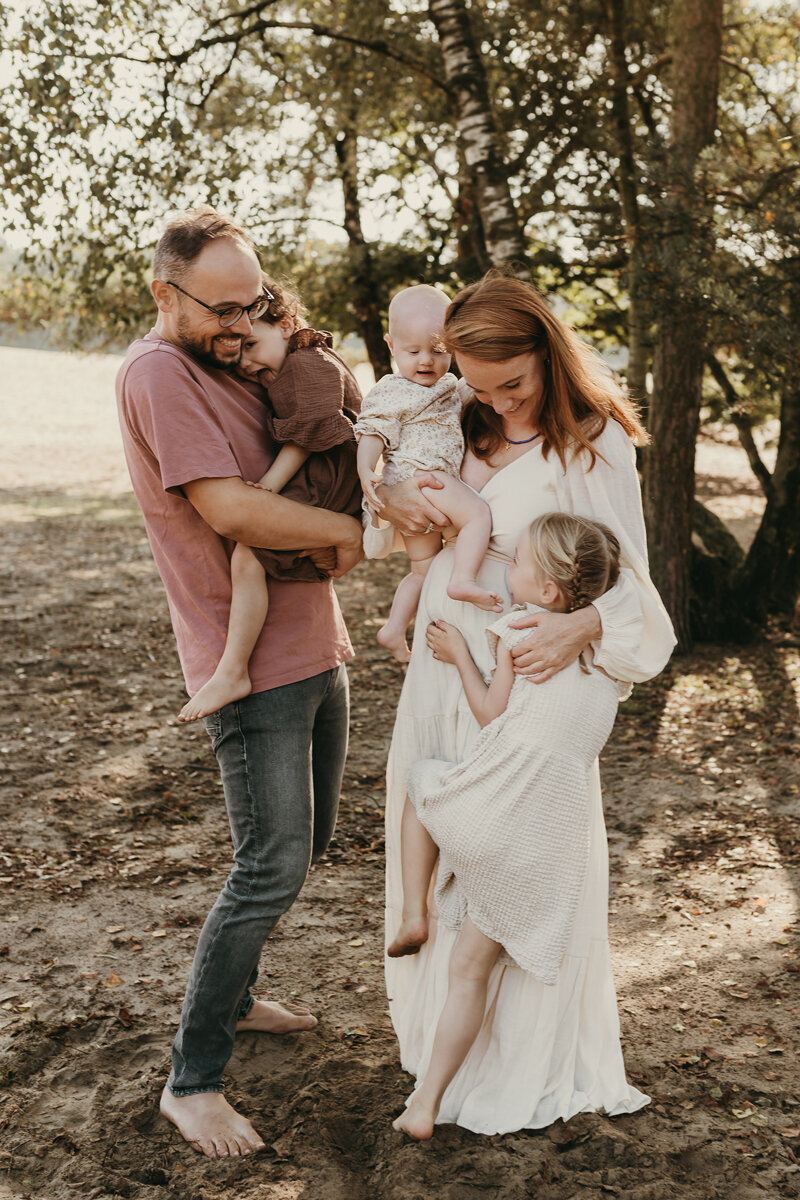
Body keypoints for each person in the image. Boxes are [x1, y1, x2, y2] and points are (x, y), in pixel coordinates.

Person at [377, 272, 676, 1137]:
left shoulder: (597, 444)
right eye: (480, 385)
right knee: (434, 841)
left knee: (516, 865)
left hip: (529, 692)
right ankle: (435, 1057)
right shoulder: (459, 421)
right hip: (443, 682)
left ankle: (518, 1068)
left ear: (547, 351)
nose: (499, 402)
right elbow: (418, 522)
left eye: (514, 383)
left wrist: (581, 624)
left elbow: (637, 589)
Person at [116, 206, 363, 1159]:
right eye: (219, 307)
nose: (237, 322)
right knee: (268, 864)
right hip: (248, 658)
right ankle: (194, 1078)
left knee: (306, 848)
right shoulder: (158, 373)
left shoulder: (240, 356)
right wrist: (351, 534)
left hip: (313, 637)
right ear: (163, 295)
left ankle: (241, 993)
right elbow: (228, 508)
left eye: (251, 301)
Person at [390, 514, 624, 1138]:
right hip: (552, 838)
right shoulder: (609, 656)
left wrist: (461, 653)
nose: (506, 568)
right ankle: (429, 1102)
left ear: (547, 592)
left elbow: (492, 714)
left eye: (517, 561)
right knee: (475, 967)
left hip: (496, 808)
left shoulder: (518, 627)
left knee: (423, 782)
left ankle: (415, 910)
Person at [178, 278, 362, 723]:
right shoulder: (291, 364)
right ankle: (235, 668)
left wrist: (268, 488)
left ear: (285, 325)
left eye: (251, 344)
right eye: (238, 353)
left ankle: (233, 670)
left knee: (246, 560)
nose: (244, 361)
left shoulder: (307, 363)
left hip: (328, 475)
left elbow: (310, 432)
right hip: (329, 475)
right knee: (256, 559)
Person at [355, 284, 500, 662]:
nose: (426, 361)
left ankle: (393, 627)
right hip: (427, 480)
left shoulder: (450, 386)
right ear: (390, 346)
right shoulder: (393, 390)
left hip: (422, 493)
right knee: (479, 515)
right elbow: (372, 432)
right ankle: (464, 581)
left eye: (438, 351)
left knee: (423, 571)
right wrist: (364, 469)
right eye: (413, 351)